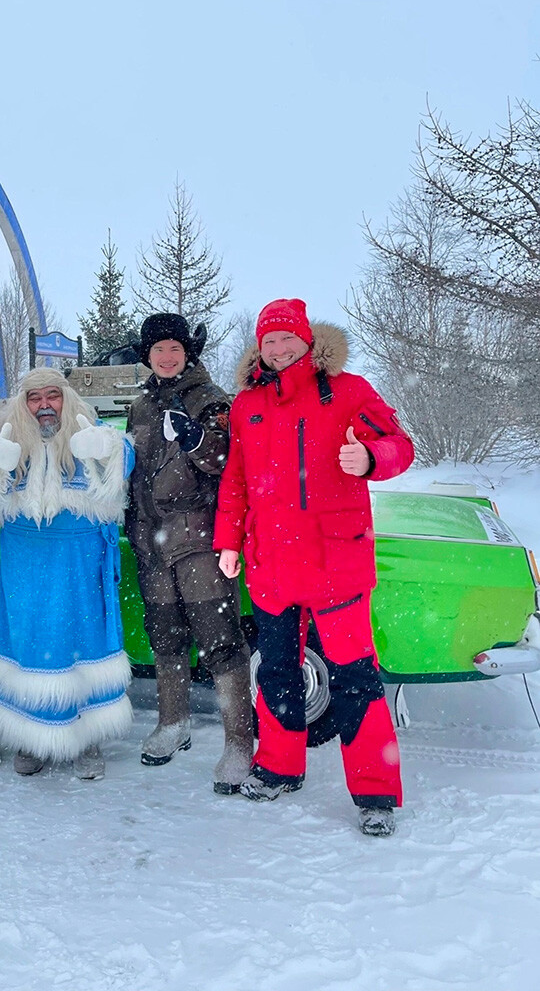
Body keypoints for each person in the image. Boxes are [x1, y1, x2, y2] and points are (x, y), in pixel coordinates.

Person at [214, 298, 415, 836]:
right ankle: (279, 767)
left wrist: (371, 459)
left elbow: (400, 445)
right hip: (270, 564)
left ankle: (376, 792)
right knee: (277, 671)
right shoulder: (247, 405)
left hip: (335, 563)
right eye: (269, 341)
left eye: (287, 339)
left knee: (354, 676)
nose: (278, 350)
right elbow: (235, 480)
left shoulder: (348, 391)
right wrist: (228, 541)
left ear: (307, 340)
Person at [0, 367, 134, 779]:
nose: (44, 406)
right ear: (23, 403)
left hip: (80, 564)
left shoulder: (87, 428)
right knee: (29, 647)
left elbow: (124, 461)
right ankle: (30, 738)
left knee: (83, 645)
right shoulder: (8, 437)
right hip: (26, 569)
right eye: (34, 398)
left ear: (65, 398)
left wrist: (106, 447)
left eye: (51, 396)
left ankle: (87, 739)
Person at [126, 313, 253, 795]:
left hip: (198, 540)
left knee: (220, 640)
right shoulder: (139, 408)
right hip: (150, 542)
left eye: (174, 348)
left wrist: (200, 440)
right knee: (166, 638)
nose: (166, 356)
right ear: (147, 356)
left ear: (187, 353)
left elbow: (229, 464)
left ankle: (239, 742)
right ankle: (172, 722)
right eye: (157, 349)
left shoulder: (210, 399)